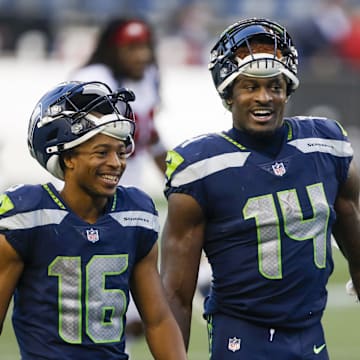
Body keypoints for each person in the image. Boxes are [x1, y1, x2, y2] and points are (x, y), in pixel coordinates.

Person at [160, 18, 360, 359]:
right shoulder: (202, 167)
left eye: (274, 86)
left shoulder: (326, 146)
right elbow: (176, 293)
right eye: (249, 86)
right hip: (242, 338)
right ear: (228, 94)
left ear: (289, 89)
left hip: (311, 334)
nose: (263, 97)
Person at [0, 80, 187, 360]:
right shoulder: (28, 217)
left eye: (121, 151)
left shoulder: (134, 215)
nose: (116, 163)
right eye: (101, 152)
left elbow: (158, 319)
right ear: (68, 157)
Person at [69, 17, 167, 190]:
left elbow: (150, 136)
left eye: (146, 47)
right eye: (132, 48)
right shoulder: (94, 79)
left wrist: (180, 178)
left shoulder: (147, 77)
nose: (142, 56)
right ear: (112, 51)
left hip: (127, 189)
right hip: (89, 189)